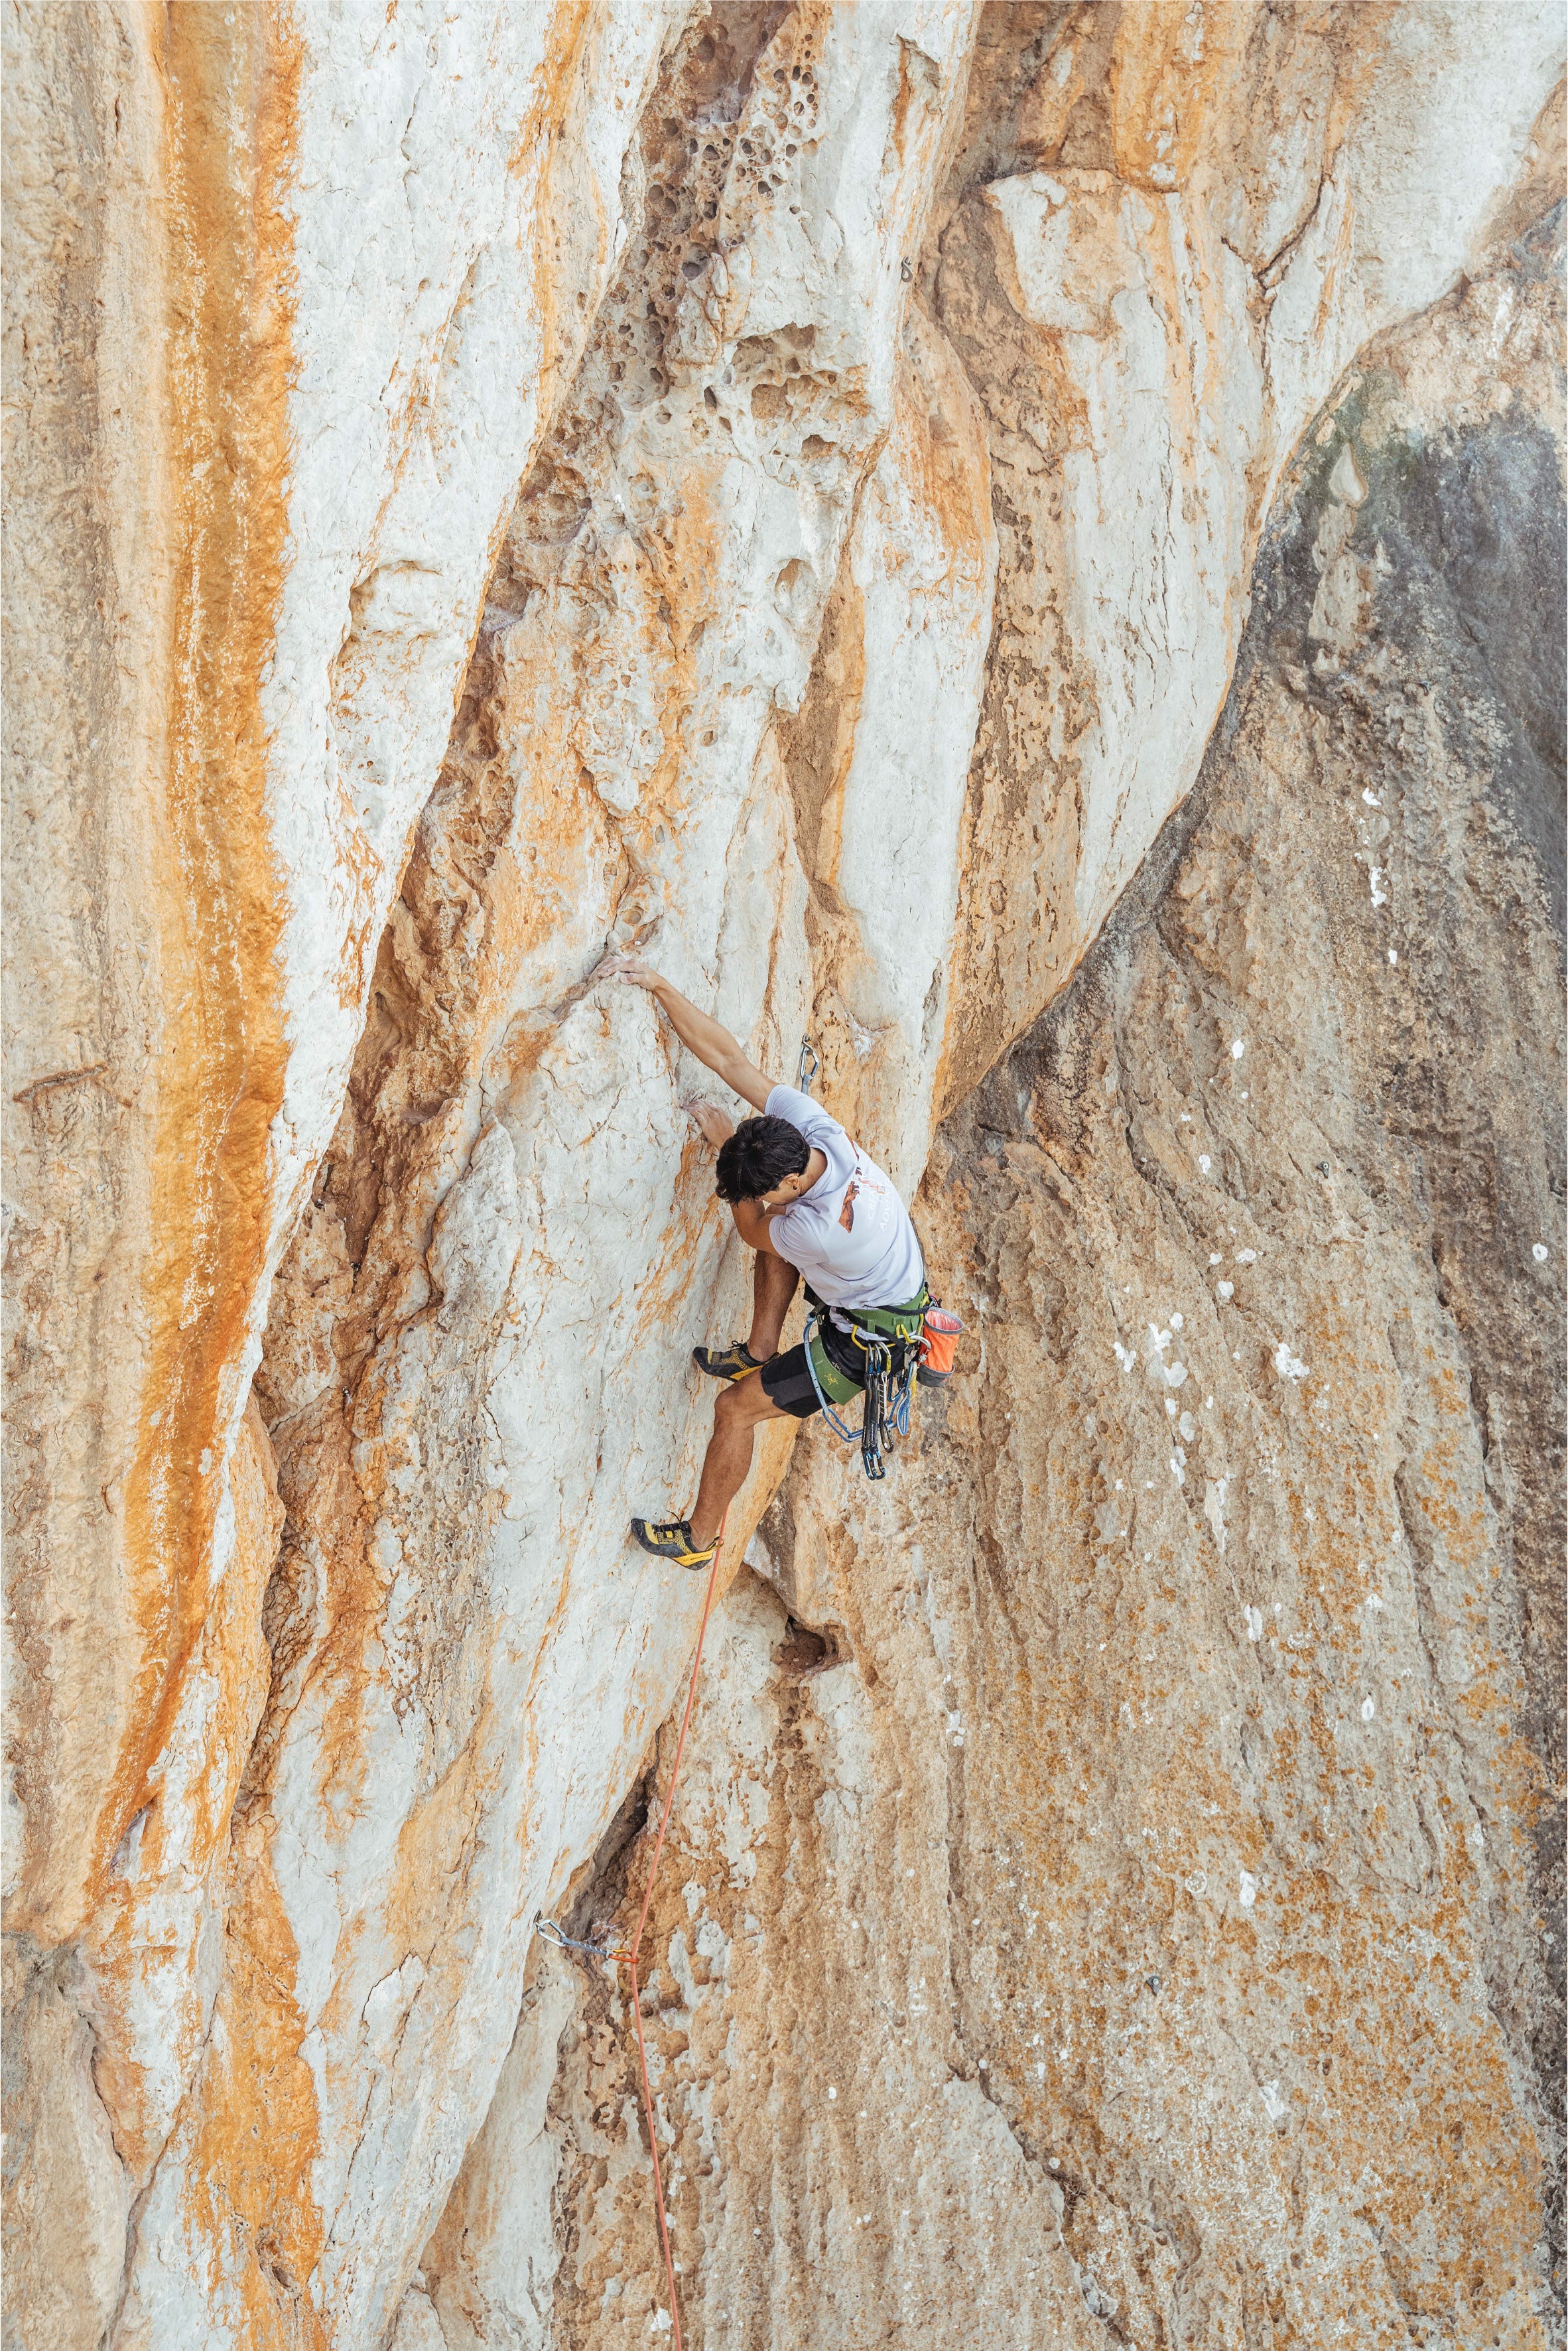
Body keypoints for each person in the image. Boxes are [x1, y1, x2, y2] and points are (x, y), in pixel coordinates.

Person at [594, 955, 928, 1569]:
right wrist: (661, 984)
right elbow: (731, 1062)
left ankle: (697, 1542)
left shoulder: (824, 1230)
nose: (768, 1199)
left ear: (793, 1180)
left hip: (862, 1348)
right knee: (782, 1231)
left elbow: (752, 1231)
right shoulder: (814, 1133)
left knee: (734, 1411)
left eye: (769, 1191)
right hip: (882, 1285)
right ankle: (758, 1348)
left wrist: (726, 1145)